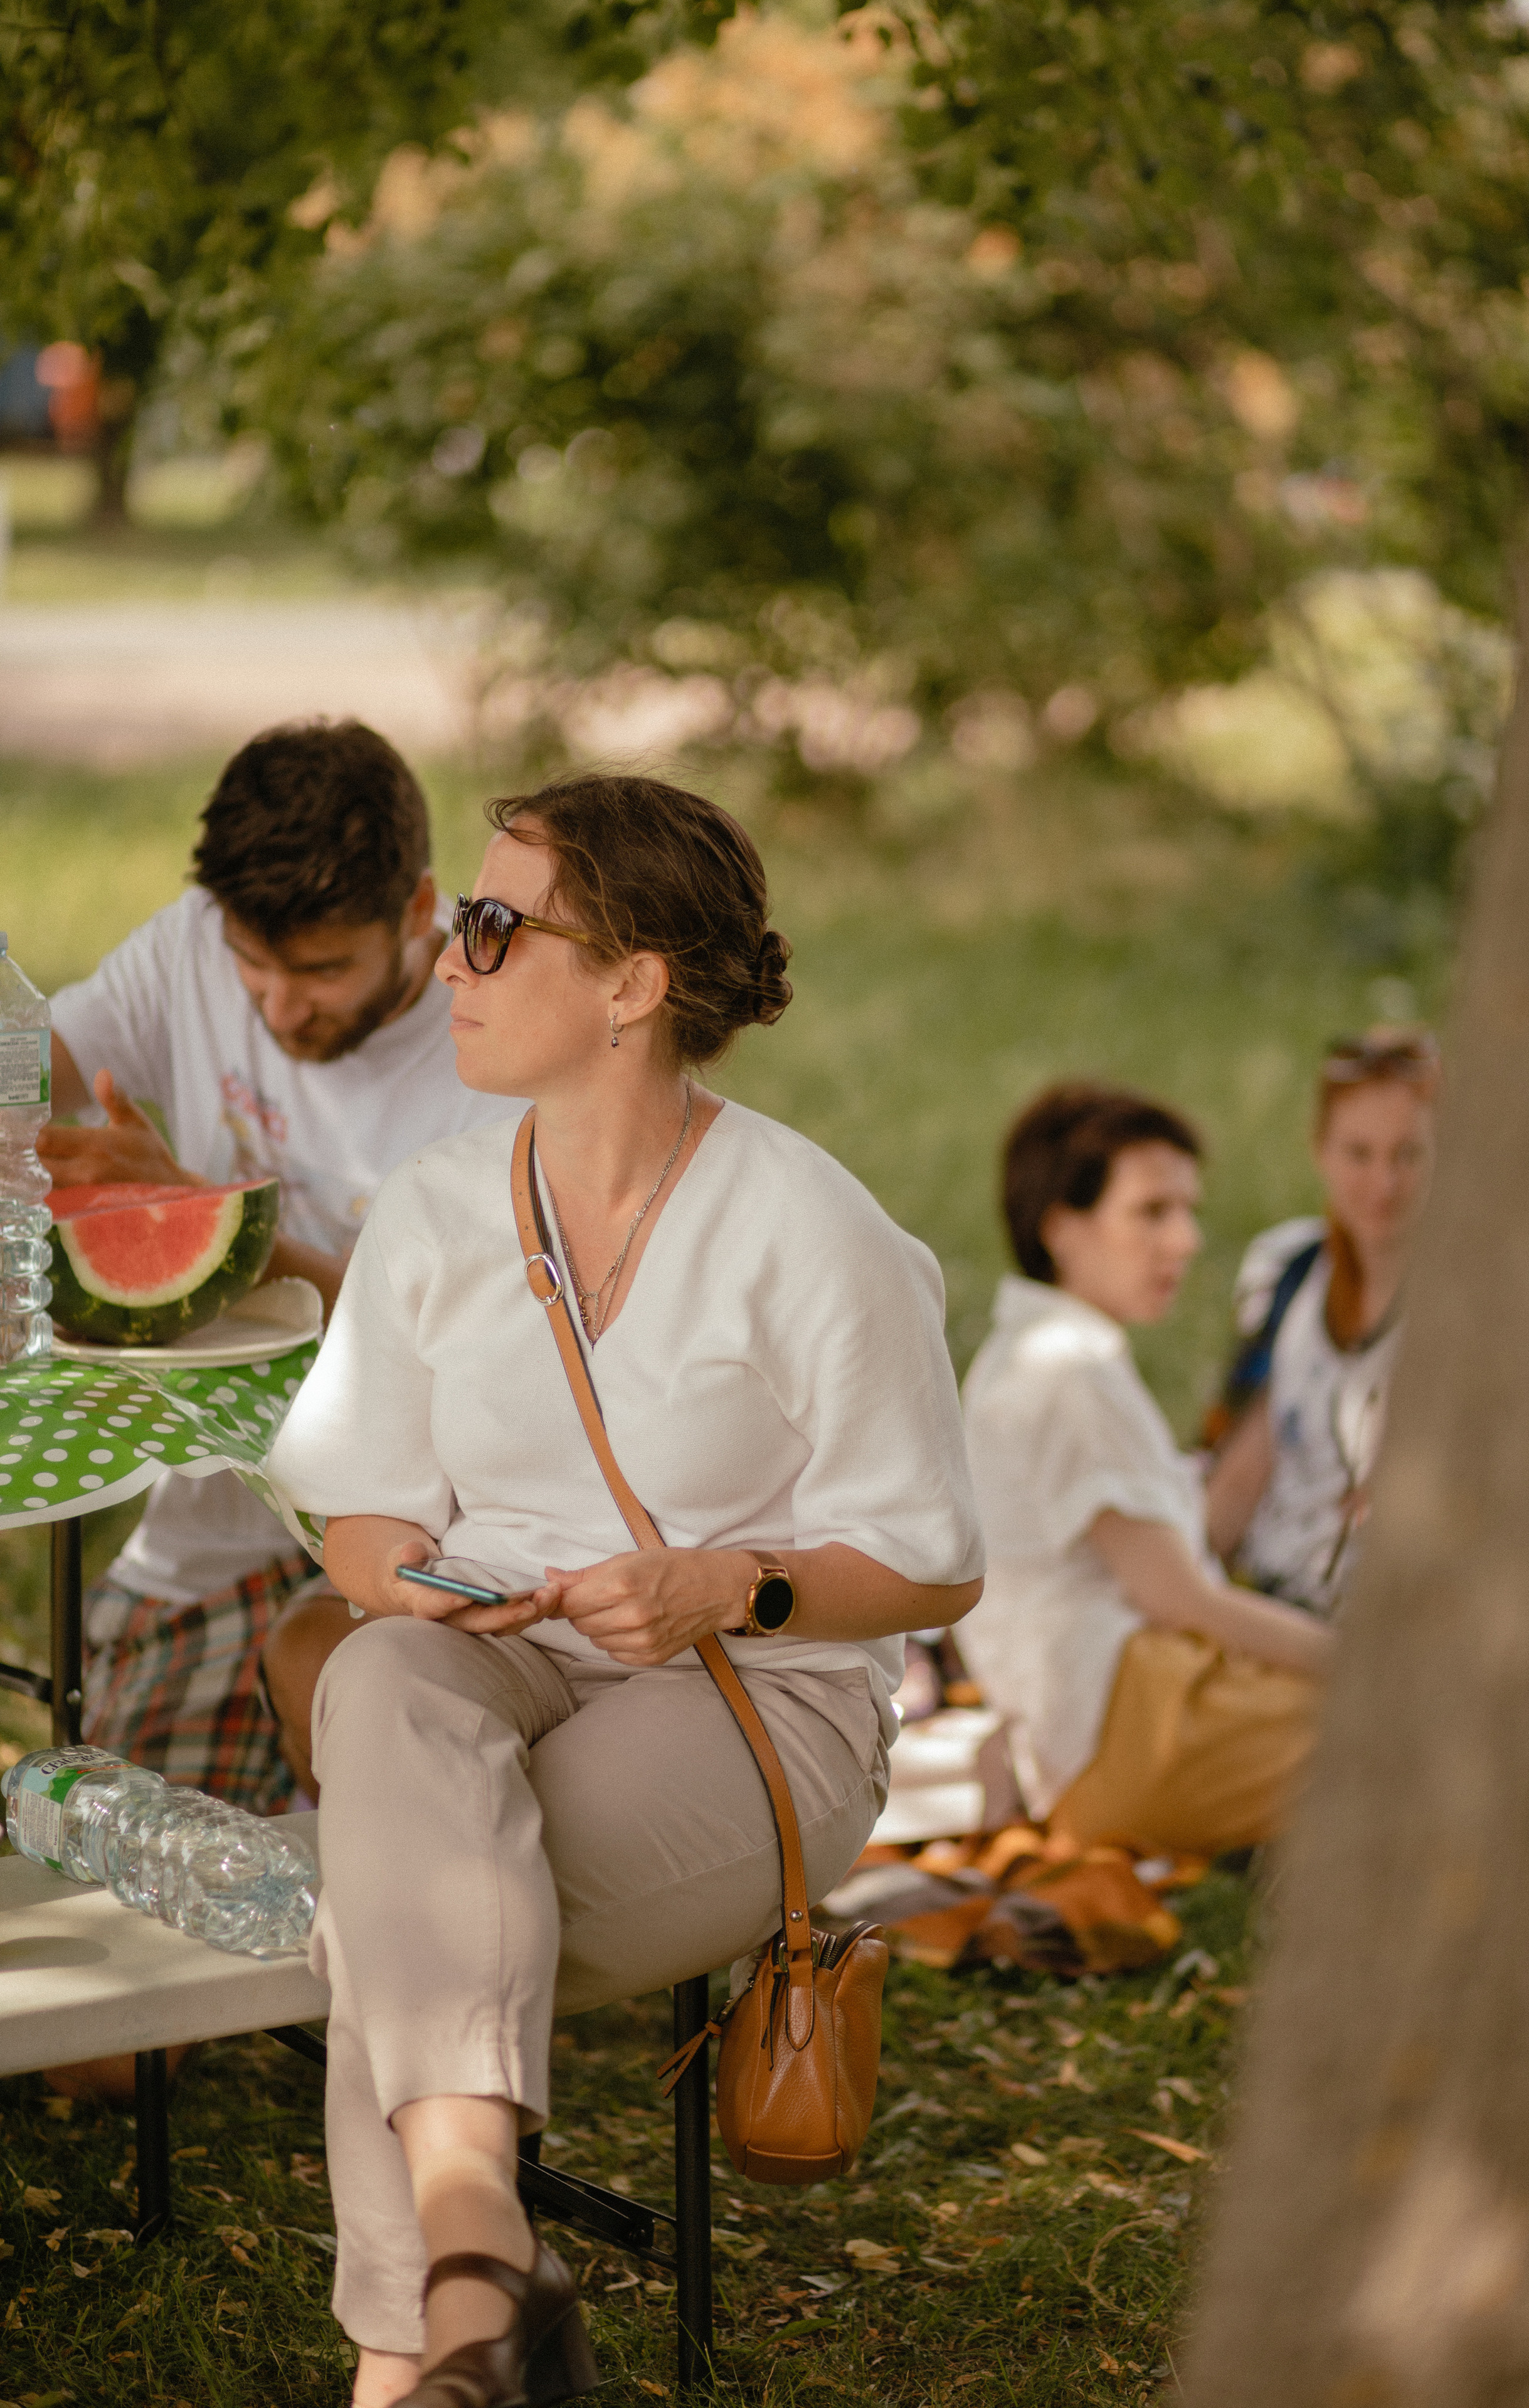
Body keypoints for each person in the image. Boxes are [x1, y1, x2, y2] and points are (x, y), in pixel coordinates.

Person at [265, 772, 985, 2408]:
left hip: (754, 1700)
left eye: (498, 928)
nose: (450, 959)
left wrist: (728, 1582)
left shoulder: (813, 1230)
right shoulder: (443, 1209)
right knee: (377, 1684)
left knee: (392, 1917)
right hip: (492, 1664)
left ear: (635, 984)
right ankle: (479, 2285)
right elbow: (356, 1519)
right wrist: (419, 1586)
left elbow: (937, 1561)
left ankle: (433, 2339)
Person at [41, 719, 510, 1813]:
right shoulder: (195, 944)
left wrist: (219, 1230)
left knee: (370, 1830)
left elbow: (480, 1356)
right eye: (253, 968)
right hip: (219, 1521)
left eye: (322, 971)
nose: (280, 1008)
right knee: (128, 1839)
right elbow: (42, 1068)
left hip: (433, 1523)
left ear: (418, 909)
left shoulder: (495, 1046)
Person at [956, 1082, 1333, 1862]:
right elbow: (1178, 1597)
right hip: (1128, 1730)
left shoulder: (1036, 1353)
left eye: (1186, 1210)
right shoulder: (1066, 1369)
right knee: (1419, 1728)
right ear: (1061, 1227)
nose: (1186, 1241)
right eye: (1152, 1212)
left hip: (1100, 1724)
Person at [1205, 1028, 1439, 1615]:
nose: (1384, 1185)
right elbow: (1240, 1467)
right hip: (1269, 1600)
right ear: (1321, 1151)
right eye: (1359, 1153)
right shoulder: (1288, 1271)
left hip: (1386, 1624)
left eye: (1408, 1154)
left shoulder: (1469, 1303)